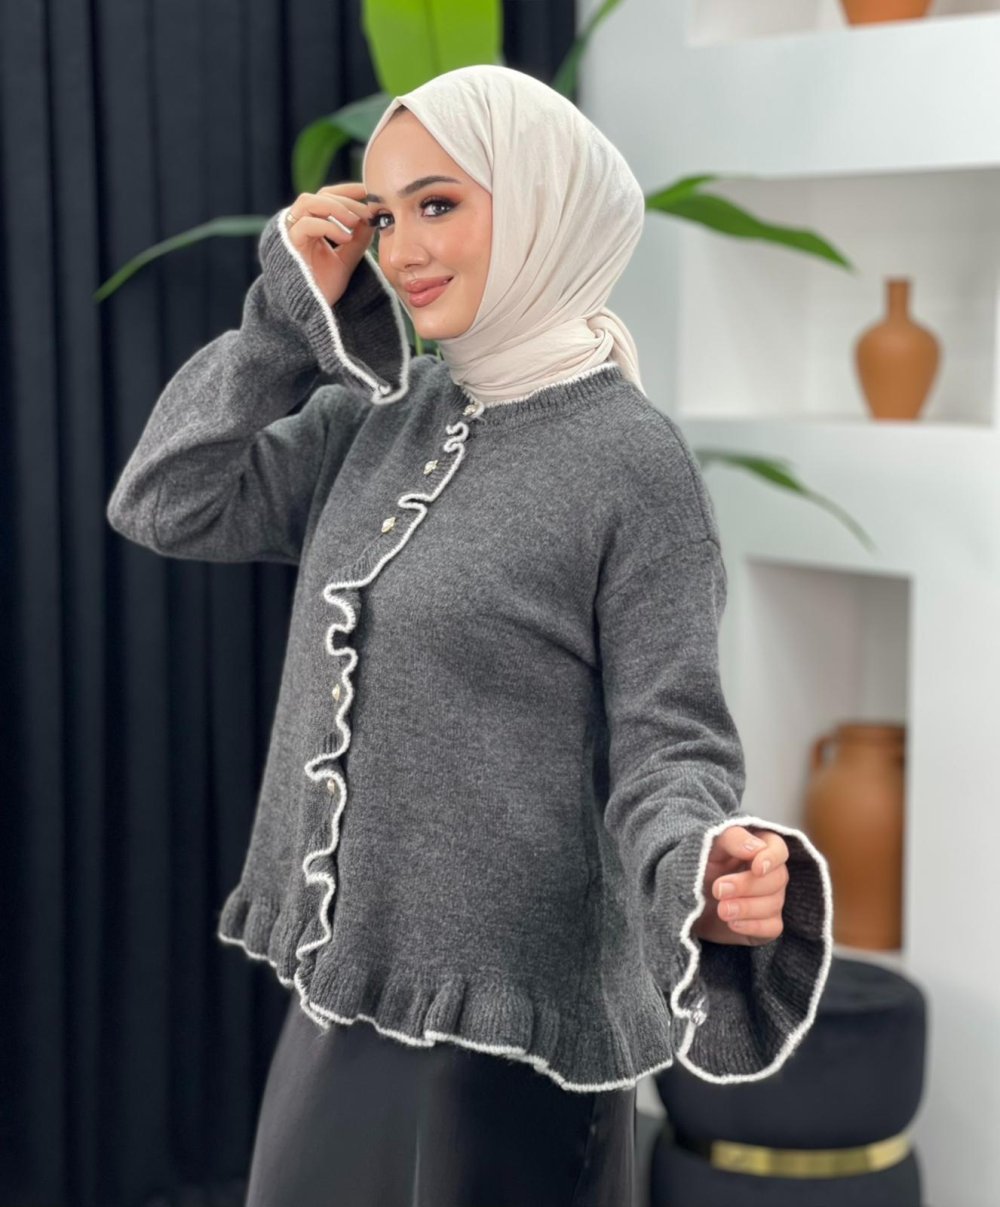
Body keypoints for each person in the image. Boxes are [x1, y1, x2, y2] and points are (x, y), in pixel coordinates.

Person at [106, 64, 833, 1206]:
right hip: (343, 998)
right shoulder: (376, 423)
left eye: (437, 204)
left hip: (511, 1046)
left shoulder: (631, 464)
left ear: (543, 202)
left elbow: (670, 740)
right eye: (384, 217)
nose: (401, 251)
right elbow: (164, 500)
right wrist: (281, 321)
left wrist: (699, 867)